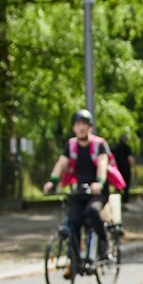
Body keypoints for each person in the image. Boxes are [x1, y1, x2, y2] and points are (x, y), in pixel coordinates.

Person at [43, 108, 113, 268]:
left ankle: (104, 243)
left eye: (84, 124)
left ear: (90, 127)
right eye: (77, 124)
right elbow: (61, 164)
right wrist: (52, 182)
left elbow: (103, 164)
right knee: (74, 220)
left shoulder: (99, 144)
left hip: (97, 192)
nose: (81, 127)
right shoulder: (71, 145)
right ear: (73, 127)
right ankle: (75, 258)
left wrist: (99, 183)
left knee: (92, 211)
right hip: (79, 192)